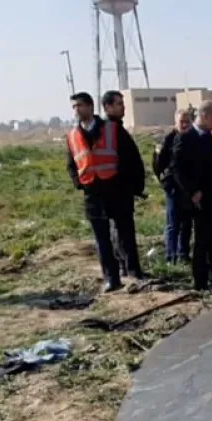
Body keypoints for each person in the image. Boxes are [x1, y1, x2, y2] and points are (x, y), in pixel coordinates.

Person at [65, 92, 125, 292]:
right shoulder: (73, 135)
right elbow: (71, 164)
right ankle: (111, 278)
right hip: (91, 192)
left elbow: (125, 157)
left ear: (90, 107)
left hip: (112, 188)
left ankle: (127, 269)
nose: (76, 110)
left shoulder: (110, 129)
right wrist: (79, 183)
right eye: (73, 107)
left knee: (121, 232)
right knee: (101, 238)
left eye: (79, 105)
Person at [171, 100, 212, 289]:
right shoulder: (187, 137)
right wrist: (192, 192)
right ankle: (201, 281)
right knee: (202, 240)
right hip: (200, 200)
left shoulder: (207, 137)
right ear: (204, 115)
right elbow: (177, 168)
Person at [99, 90, 149, 282]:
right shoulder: (109, 130)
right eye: (119, 103)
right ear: (108, 107)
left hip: (122, 189)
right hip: (116, 190)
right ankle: (130, 269)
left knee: (122, 230)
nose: (123, 106)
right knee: (123, 231)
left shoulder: (115, 128)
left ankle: (127, 267)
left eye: (122, 103)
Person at [153, 108, 194, 264]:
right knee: (173, 223)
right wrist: (166, 183)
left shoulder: (191, 138)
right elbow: (158, 164)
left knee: (187, 223)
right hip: (174, 188)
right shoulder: (168, 139)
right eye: (181, 121)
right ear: (175, 122)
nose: (184, 125)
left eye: (187, 121)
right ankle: (171, 256)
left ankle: (183, 253)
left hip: (188, 188)